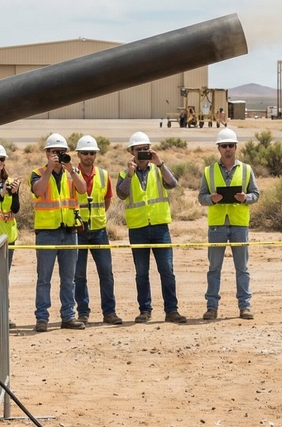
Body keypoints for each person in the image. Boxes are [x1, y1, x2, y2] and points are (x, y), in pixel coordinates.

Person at [115, 131, 186, 324]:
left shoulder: (158, 169)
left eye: (146, 149)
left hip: (160, 227)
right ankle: (145, 310)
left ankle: (171, 310)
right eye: (139, 150)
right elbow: (121, 194)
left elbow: (172, 183)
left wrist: (160, 163)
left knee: (167, 271)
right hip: (138, 229)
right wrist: (130, 175)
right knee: (141, 273)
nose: (143, 153)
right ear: (131, 152)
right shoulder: (124, 174)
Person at [198, 128, 260, 321]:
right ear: (218, 148)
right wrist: (212, 198)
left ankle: (245, 306)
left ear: (236, 147)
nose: (227, 149)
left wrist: (245, 198)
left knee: (242, 268)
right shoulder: (209, 171)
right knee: (214, 267)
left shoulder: (247, 170)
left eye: (231, 146)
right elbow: (201, 198)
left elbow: (256, 195)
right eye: (224, 146)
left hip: (239, 224)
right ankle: (212, 307)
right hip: (217, 225)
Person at [30, 134, 87, 332]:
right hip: (47, 233)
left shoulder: (72, 173)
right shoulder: (37, 173)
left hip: (69, 231)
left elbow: (83, 189)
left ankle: (68, 316)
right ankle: (42, 318)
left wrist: (72, 170)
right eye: (55, 152)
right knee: (44, 278)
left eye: (62, 152)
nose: (59, 156)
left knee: (68, 279)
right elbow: (38, 191)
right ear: (47, 153)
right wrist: (48, 169)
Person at [73, 135, 120, 325]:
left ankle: (109, 312)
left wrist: (97, 216)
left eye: (92, 153)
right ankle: (83, 312)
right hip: (79, 231)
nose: (88, 156)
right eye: (85, 153)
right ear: (78, 154)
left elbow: (107, 200)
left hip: (99, 230)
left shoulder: (103, 175)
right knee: (79, 275)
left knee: (106, 273)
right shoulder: (71, 175)